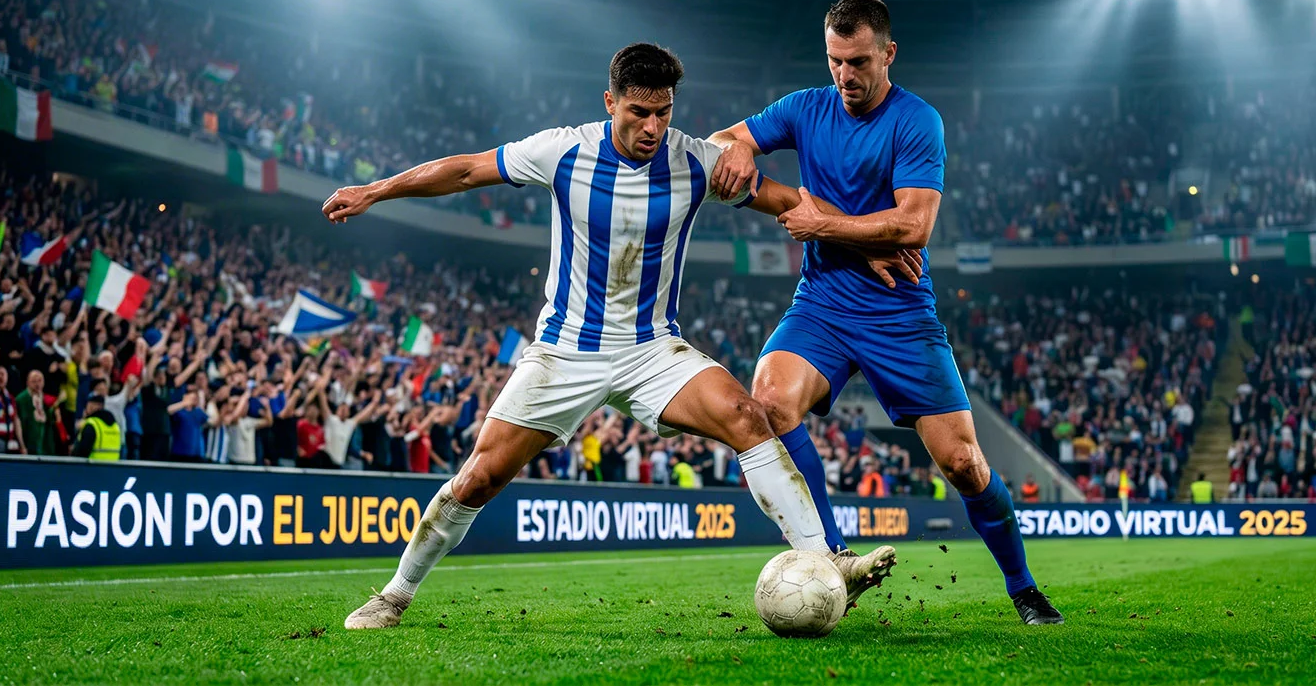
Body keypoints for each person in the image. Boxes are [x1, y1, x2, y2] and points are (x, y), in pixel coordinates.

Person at [323, 43, 900, 631]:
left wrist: (861, 241)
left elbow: (788, 202)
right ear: (611, 103)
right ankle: (393, 595)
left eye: (664, 113)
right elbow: (468, 169)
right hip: (566, 348)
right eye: (638, 113)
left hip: (652, 349)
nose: (653, 127)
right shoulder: (562, 150)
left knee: (748, 418)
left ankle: (830, 563)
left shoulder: (697, 161)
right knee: (480, 476)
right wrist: (377, 190)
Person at [708, 0, 1063, 625]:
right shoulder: (803, 108)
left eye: (858, 61)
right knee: (769, 397)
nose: (845, 75)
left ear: (888, 54)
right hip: (821, 303)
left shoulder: (917, 121)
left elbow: (915, 225)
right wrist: (730, 144)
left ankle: (1023, 586)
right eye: (834, 61)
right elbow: (726, 144)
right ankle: (834, 555)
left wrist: (826, 224)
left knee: (963, 462)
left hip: (899, 313)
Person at [72, 393, 122, 460]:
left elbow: (81, 453)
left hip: (93, 468)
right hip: (113, 468)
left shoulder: (92, 424)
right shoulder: (115, 426)